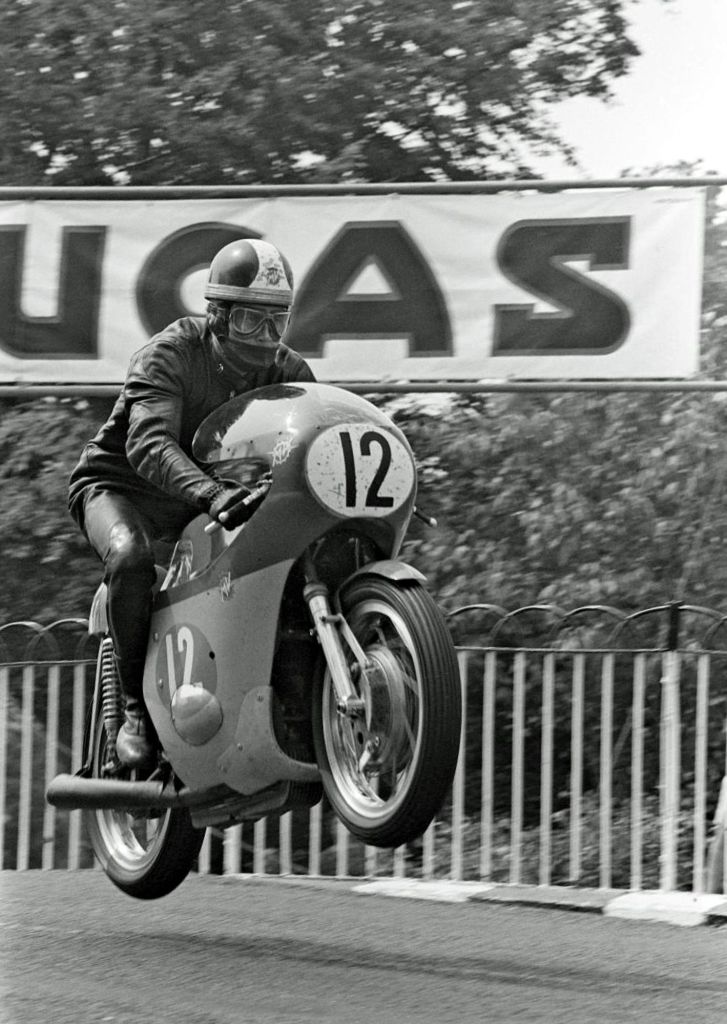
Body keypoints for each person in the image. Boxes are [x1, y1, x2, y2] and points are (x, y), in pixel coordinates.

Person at [68, 238, 315, 768]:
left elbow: (311, 441)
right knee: (132, 559)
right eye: (251, 320)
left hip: (205, 502)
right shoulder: (170, 353)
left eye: (277, 322)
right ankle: (132, 712)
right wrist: (211, 492)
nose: (266, 338)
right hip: (121, 490)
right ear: (218, 314)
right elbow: (149, 444)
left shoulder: (289, 371)